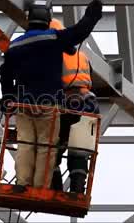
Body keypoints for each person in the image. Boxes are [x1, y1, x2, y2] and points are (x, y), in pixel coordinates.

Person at [0, 0, 103, 189]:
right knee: (47, 146)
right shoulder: (55, 38)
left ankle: (22, 183)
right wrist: (94, 12)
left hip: (23, 104)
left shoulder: (15, 45)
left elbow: (5, 73)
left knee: (26, 144)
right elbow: (80, 31)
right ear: (48, 17)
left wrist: (8, 96)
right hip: (48, 104)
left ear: (29, 18)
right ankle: (40, 187)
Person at [49, 19, 100, 194]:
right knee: (80, 148)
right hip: (90, 103)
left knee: (53, 148)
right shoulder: (83, 56)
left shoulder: (55, 54)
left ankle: (54, 189)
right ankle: (78, 190)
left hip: (68, 102)